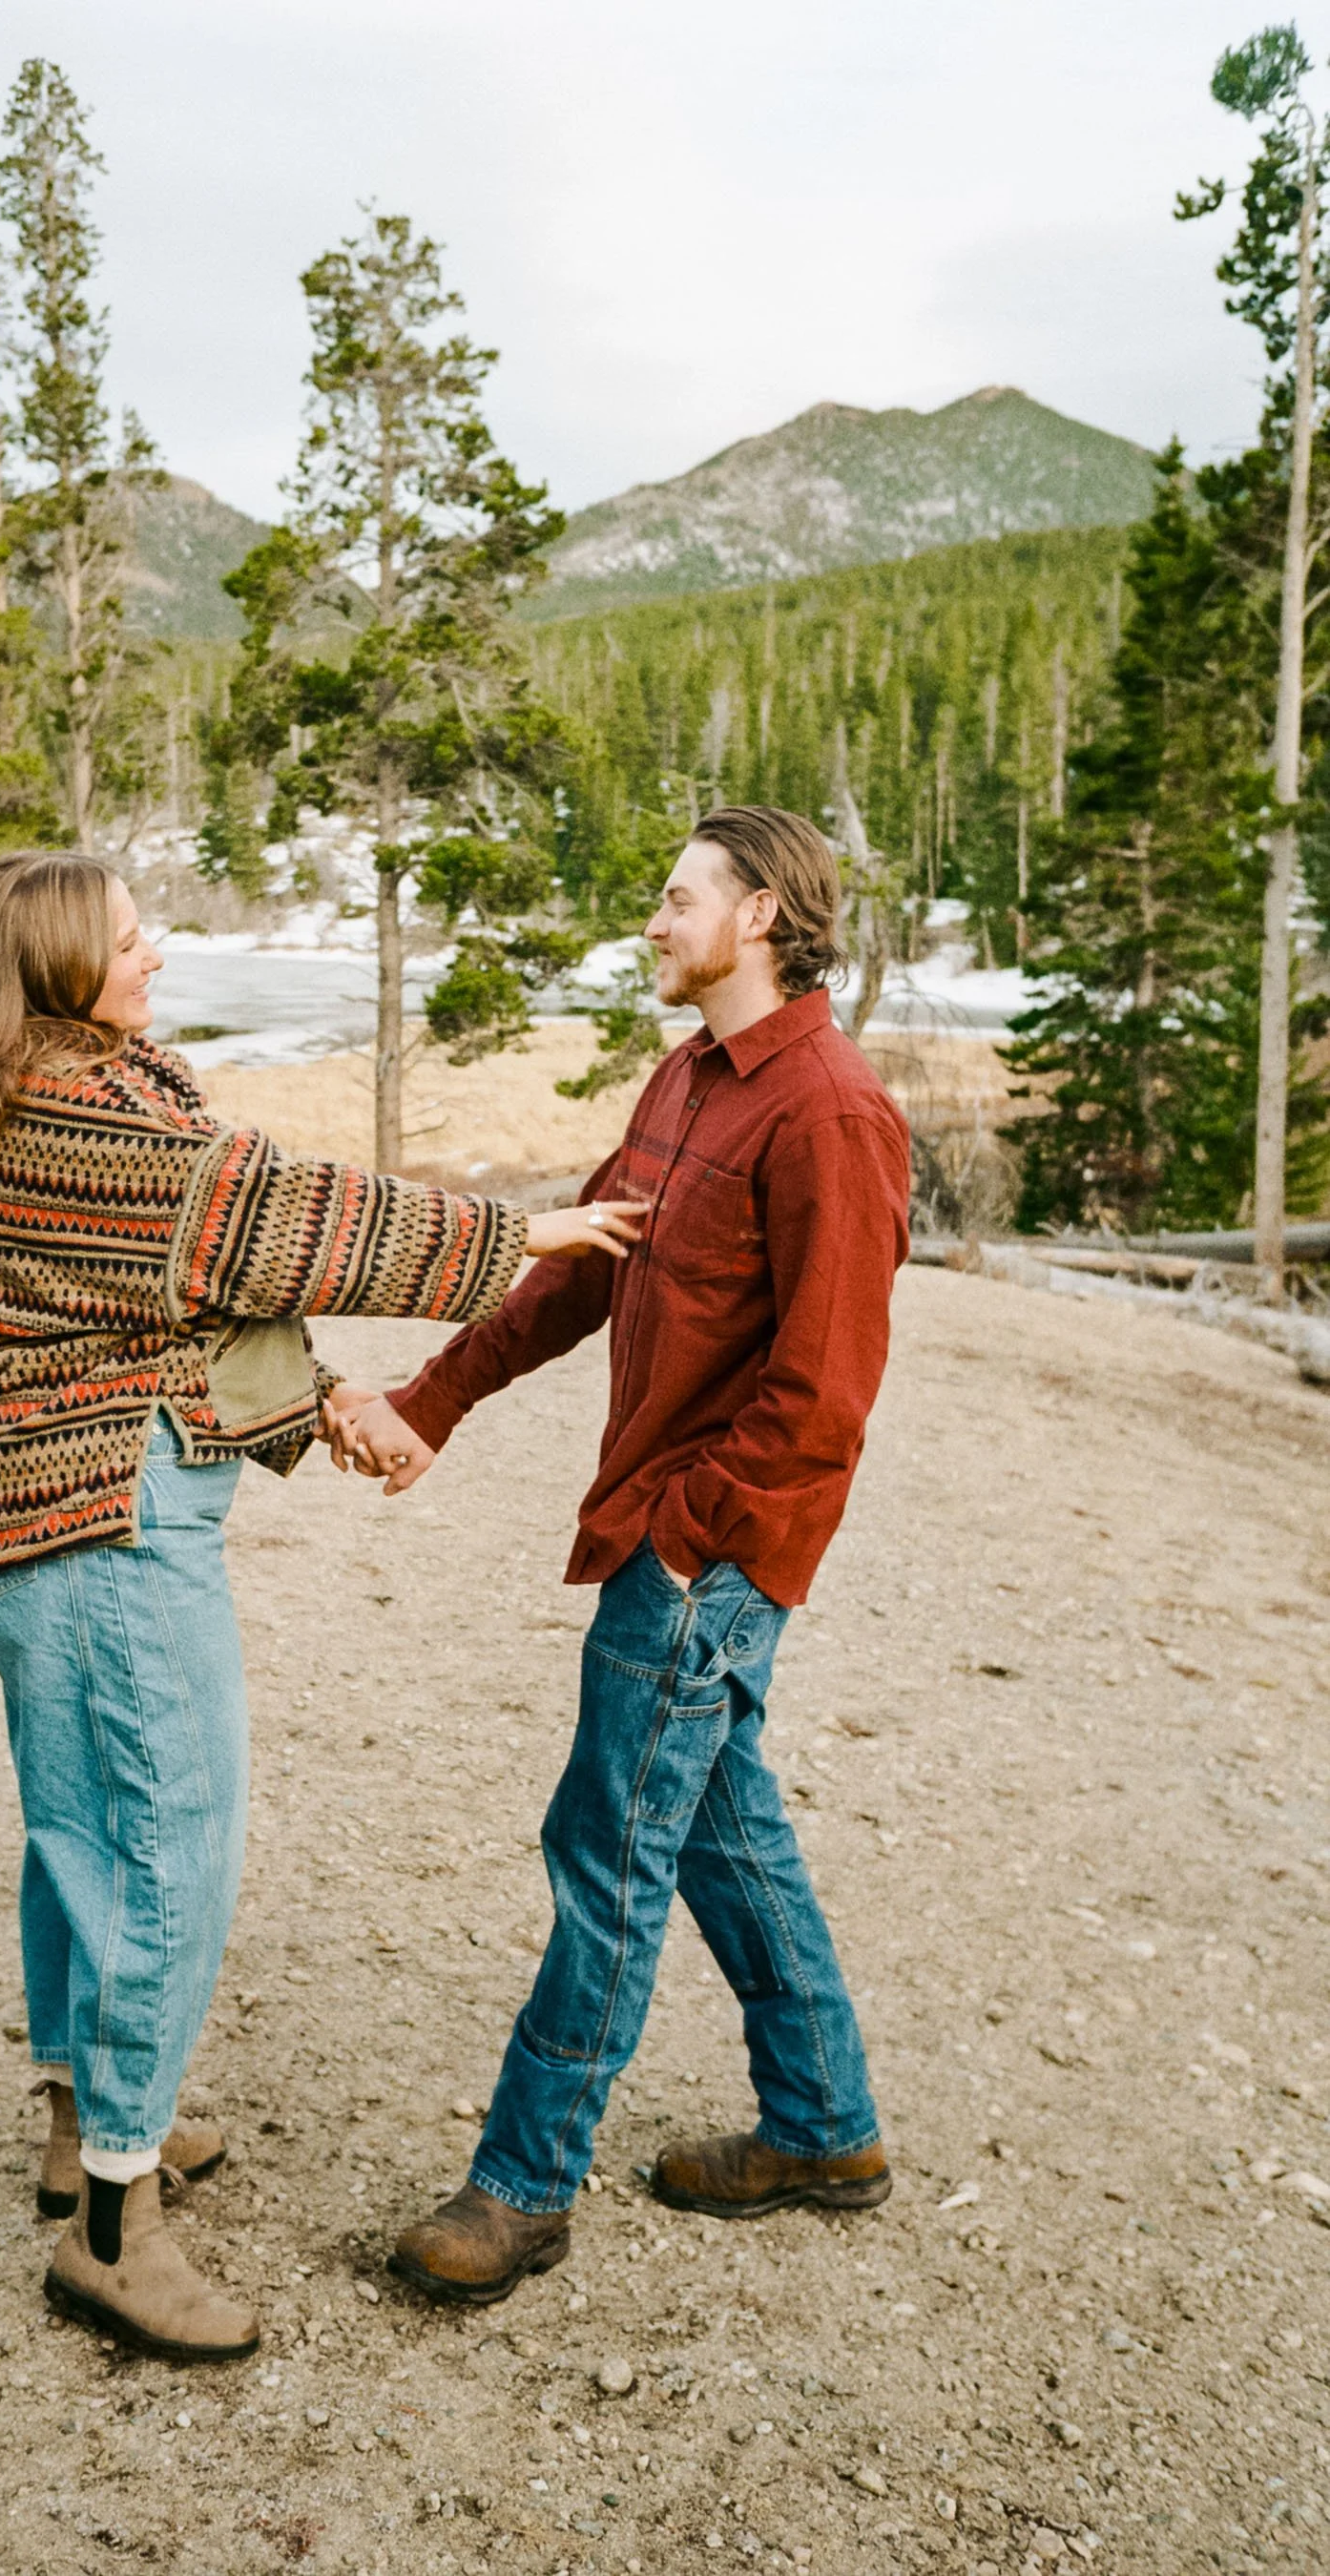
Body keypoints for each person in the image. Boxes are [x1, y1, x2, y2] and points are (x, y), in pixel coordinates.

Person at [0, 848, 644, 2361]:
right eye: (127, 943)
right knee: (171, 1842)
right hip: (96, 1523)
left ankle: (82, 2127)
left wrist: (322, 1405)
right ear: (56, 972)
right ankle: (109, 2225)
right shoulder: (78, 1121)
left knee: (82, 1834)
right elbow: (271, 1216)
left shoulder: (74, 1090)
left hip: (52, 1514)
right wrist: (531, 1235)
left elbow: (184, 1302)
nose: (155, 957)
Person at [329, 806, 911, 2306]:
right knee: (720, 1828)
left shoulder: (831, 1112)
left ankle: (521, 2188)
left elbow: (826, 1389)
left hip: (703, 1552)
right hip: (672, 1533)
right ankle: (824, 2128)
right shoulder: (685, 1080)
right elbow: (579, 1267)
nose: (651, 923)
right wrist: (430, 1401)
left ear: (764, 914)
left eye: (675, 900)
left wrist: (690, 1533)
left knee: (608, 1850)